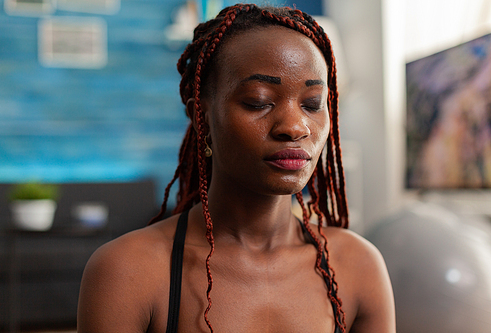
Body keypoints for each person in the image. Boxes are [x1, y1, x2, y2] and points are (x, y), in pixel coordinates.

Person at [77, 4, 395, 333]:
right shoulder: (129, 272)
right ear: (202, 117)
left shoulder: (358, 267)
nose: (295, 126)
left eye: (312, 104)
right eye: (258, 101)